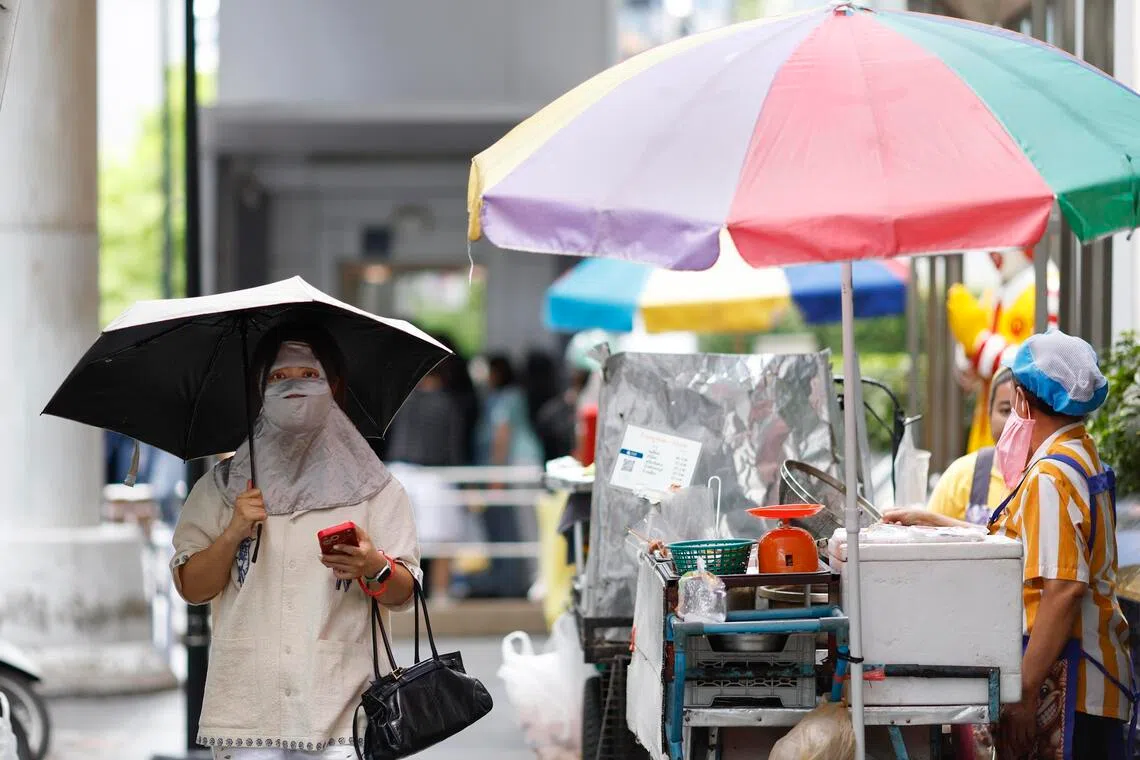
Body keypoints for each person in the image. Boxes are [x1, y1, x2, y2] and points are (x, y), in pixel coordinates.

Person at [170, 324, 421, 759]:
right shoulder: (223, 487)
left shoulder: (377, 490)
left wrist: (370, 564)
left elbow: (405, 595)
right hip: (248, 713)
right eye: (277, 377)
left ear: (336, 386)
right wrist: (233, 532)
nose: (294, 387)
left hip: (343, 710)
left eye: (309, 374)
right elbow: (192, 587)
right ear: (257, 389)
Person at [886, 331, 1134, 758]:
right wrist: (937, 522)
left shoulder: (1051, 477)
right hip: (1092, 677)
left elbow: (1062, 590)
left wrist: (1022, 693)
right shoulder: (1081, 454)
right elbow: (1026, 544)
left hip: (1073, 683)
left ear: (1022, 398)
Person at [948, 249, 1058, 452]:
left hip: (1028, 438)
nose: (992, 250)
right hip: (986, 432)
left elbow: (1042, 366)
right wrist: (966, 354)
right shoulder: (993, 293)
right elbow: (969, 376)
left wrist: (978, 343)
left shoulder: (1050, 288)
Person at [384, 363, 465, 599]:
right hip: (434, 475)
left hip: (397, 473)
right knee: (442, 539)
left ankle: (396, 593)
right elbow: (453, 446)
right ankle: (441, 593)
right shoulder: (447, 403)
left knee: (396, 539)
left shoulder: (401, 401)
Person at [468, 354, 543, 598]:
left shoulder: (506, 398)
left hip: (517, 466)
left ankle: (536, 577)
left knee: (526, 524)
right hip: (518, 465)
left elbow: (502, 433)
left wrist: (496, 473)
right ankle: (526, 577)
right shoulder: (508, 397)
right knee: (521, 525)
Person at [926, 367, 1015, 525]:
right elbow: (927, 538)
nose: (1014, 422)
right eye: (1006, 410)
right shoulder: (961, 475)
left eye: (1023, 412)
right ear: (988, 413)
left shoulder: (1047, 479)